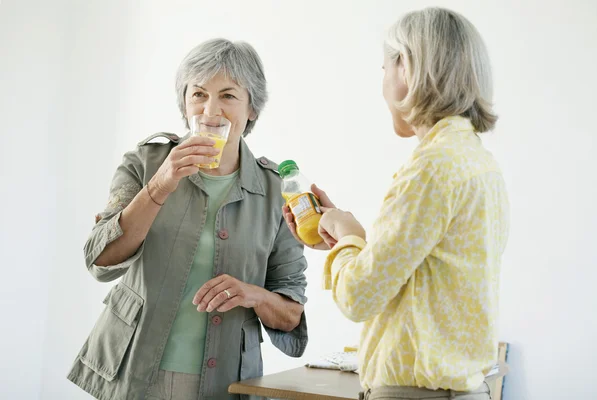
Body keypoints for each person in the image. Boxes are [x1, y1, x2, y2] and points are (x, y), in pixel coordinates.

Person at [284, 8, 509, 400]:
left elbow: (358, 297)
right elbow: (417, 276)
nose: (383, 81)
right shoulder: (477, 161)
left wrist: (350, 237)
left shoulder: (433, 167)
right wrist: (343, 241)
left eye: (384, 67)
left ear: (406, 68)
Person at [68, 38, 309, 400]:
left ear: (252, 109)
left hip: (225, 381)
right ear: (184, 103)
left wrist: (252, 294)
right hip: (134, 373)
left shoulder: (277, 190)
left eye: (228, 96)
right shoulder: (145, 163)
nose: (211, 112)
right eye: (198, 95)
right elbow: (100, 260)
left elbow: (290, 314)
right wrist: (160, 185)